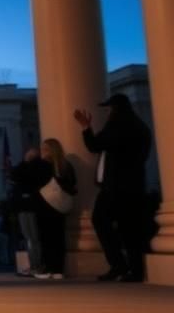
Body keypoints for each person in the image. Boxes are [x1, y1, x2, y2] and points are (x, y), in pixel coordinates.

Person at [76, 93, 152, 282]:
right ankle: (134, 270)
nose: (107, 113)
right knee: (131, 229)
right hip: (135, 185)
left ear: (115, 109)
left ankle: (119, 265)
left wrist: (86, 127)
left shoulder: (117, 126)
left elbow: (94, 145)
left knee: (100, 220)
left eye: (109, 109)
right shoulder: (142, 127)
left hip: (115, 187)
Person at [35, 138, 77, 280]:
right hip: (59, 206)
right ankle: (58, 269)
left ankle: (48, 268)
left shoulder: (43, 165)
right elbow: (72, 185)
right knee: (58, 238)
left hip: (45, 206)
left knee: (47, 238)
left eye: (44, 149)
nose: (42, 151)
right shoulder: (66, 166)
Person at [9, 147, 51, 276]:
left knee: (34, 237)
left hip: (34, 206)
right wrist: (25, 162)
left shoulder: (42, 166)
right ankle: (32, 264)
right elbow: (15, 175)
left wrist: (30, 163)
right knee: (28, 237)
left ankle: (37, 264)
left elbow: (33, 179)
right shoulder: (24, 167)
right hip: (23, 206)